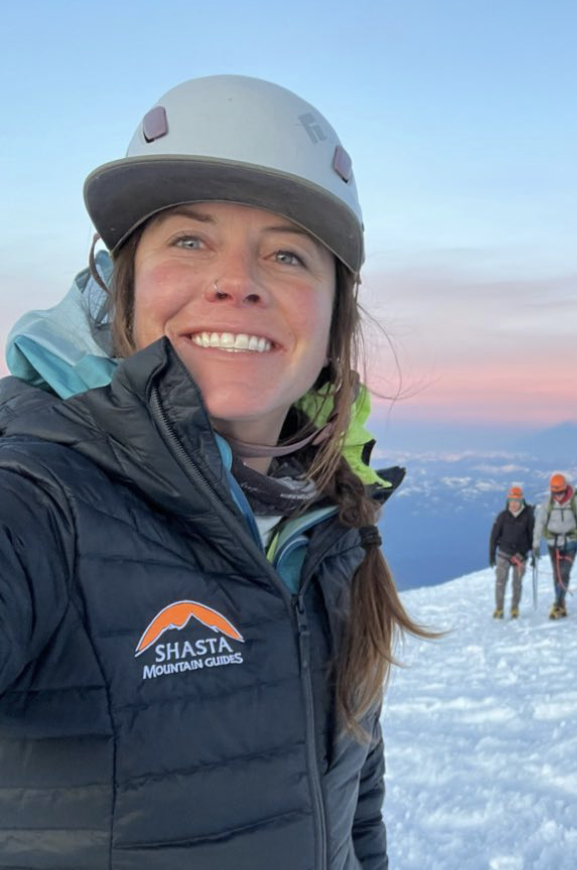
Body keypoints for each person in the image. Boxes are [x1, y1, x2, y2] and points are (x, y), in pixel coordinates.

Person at [0, 75, 434, 869]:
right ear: (120, 284)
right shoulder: (39, 496)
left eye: (287, 252)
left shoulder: (330, 527)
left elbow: (352, 810)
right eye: (190, 240)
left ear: (335, 313)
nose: (238, 280)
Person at [532, 472, 577, 619]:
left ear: (565, 489)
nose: (557, 495)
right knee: (558, 575)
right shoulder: (548, 503)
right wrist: (536, 544)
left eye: (560, 492)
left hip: (571, 542)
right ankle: (561, 603)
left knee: (564, 573)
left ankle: (557, 604)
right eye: (554, 492)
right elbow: (540, 523)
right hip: (553, 543)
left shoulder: (574, 501)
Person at [489, 484, 534, 619]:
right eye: (512, 501)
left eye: (517, 502)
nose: (514, 504)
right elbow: (494, 536)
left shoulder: (528, 517)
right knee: (500, 582)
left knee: (517, 583)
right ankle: (499, 609)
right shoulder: (502, 516)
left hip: (521, 556)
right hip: (503, 554)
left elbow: (532, 538)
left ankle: (514, 608)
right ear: (508, 501)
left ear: (521, 502)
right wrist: (491, 555)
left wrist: (533, 554)